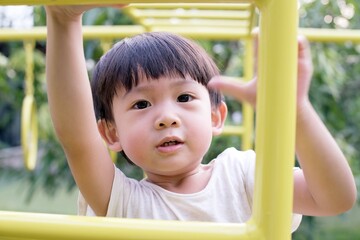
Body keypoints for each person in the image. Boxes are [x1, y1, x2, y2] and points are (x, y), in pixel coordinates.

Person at [45, 5, 356, 232]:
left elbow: (334, 198)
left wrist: (295, 111)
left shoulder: (242, 176)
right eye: (141, 104)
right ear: (111, 134)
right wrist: (63, 20)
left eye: (184, 98)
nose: (166, 118)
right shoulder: (123, 202)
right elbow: (78, 139)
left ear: (216, 117)